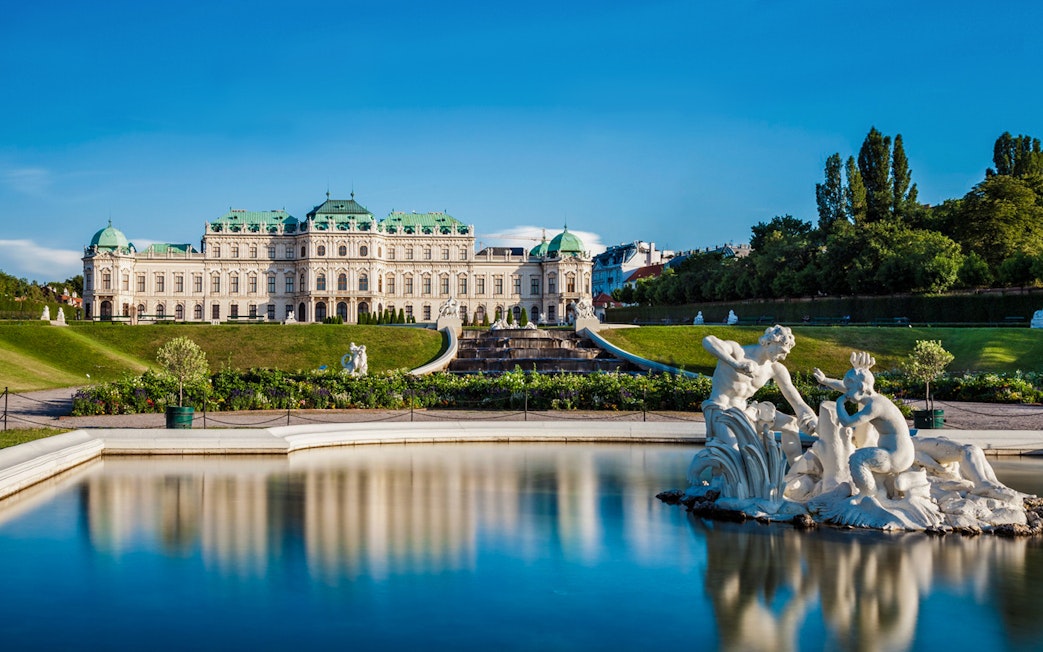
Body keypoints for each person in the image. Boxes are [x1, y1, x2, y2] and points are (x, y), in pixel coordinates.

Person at [702, 325, 817, 449]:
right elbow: (708, 341)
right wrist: (735, 364)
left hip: (746, 412)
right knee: (736, 453)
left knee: (790, 424)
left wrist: (811, 418)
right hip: (722, 411)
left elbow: (797, 401)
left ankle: (797, 466)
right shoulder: (738, 352)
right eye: (783, 351)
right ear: (769, 342)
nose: (784, 357)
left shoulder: (775, 369)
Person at [832, 352, 915, 498]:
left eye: (849, 389)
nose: (847, 393)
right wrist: (824, 380)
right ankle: (877, 492)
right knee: (864, 456)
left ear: (861, 387)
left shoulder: (875, 406)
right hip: (895, 452)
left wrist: (839, 403)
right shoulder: (873, 399)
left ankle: (868, 496)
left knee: (858, 459)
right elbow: (846, 389)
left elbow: (847, 422)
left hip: (897, 456)